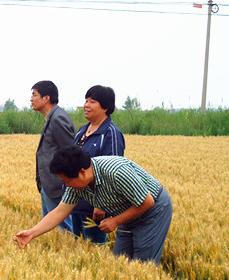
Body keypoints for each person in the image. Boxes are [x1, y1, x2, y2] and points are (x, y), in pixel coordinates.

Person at [14, 146, 172, 265]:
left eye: (68, 181)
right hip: (127, 213)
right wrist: (32, 234)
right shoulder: (78, 186)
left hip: (153, 210)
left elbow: (147, 202)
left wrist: (115, 221)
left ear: (82, 172)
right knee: (119, 262)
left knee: (143, 263)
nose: (67, 186)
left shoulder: (116, 172)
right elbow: (59, 212)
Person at [71, 85, 125, 243]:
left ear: (106, 107)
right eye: (86, 101)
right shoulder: (82, 131)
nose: (86, 105)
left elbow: (114, 170)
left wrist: (101, 205)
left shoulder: (111, 133)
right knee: (79, 248)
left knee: (94, 252)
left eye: (92, 102)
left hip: (95, 208)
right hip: (77, 203)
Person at [31, 80, 76, 232]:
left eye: (34, 95)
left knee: (63, 228)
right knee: (52, 229)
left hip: (57, 185)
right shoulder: (52, 117)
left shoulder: (58, 118)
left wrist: (66, 182)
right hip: (48, 184)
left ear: (46, 98)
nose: (31, 99)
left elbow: (70, 153)